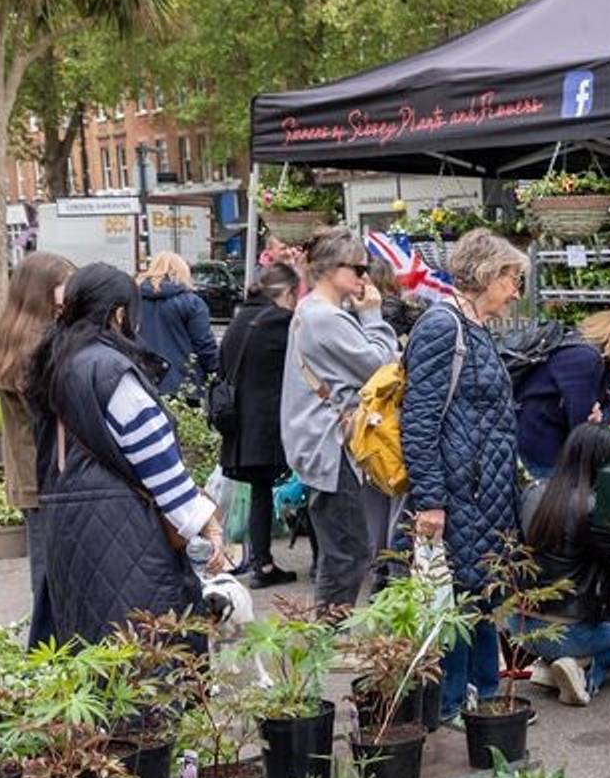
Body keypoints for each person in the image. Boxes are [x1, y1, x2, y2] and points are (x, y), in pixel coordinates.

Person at [26, 263, 227, 642]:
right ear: (119, 314)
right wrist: (209, 526)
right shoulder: (111, 370)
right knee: (146, 658)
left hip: (68, 530)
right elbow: (159, 463)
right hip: (125, 533)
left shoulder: (54, 364)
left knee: (90, 653)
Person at [402, 230, 526, 719]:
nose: (516, 291)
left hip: (483, 491)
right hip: (461, 493)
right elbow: (419, 418)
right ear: (488, 274)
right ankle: (455, 704)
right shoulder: (443, 326)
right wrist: (431, 499)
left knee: (479, 593)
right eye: (512, 279)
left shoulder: (472, 325)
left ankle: (485, 700)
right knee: (457, 597)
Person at [281, 227, 402, 614]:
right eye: (359, 268)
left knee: (342, 548)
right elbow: (382, 366)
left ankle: (330, 632)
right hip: (332, 445)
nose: (365, 278)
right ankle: (331, 636)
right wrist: (372, 314)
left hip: (321, 441)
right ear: (333, 268)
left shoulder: (310, 312)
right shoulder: (324, 317)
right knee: (348, 551)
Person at [518, 422, 610, 706]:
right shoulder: (593, 510)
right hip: (567, 630)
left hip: (521, 626)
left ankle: (549, 666)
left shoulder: (533, 492)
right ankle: (583, 669)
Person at [0, 252, 76, 643]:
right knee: (52, 577)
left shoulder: (15, 339)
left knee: (46, 573)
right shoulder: (38, 348)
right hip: (46, 477)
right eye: (63, 284)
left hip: (31, 476)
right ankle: (47, 655)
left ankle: (47, 653)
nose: (69, 292)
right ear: (43, 292)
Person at [217, 263, 300, 587]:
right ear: (288, 293)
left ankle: (261, 563)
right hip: (270, 424)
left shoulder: (239, 320)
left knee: (259, 491)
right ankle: (321, 565)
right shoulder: (281, 321)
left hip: (240, 425)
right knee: (311, 484)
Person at [503, 321, 607, 479]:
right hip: (547, 448)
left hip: (530, 429)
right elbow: (582, 427)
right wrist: (603, 418)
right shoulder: (585, 358)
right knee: (550, 499)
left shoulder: (575, 342)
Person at [136, 251, 220, 400]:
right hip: (184, 385)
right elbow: (204, 344)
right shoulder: (192, 303)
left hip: (143, 384)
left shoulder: (134, 301)